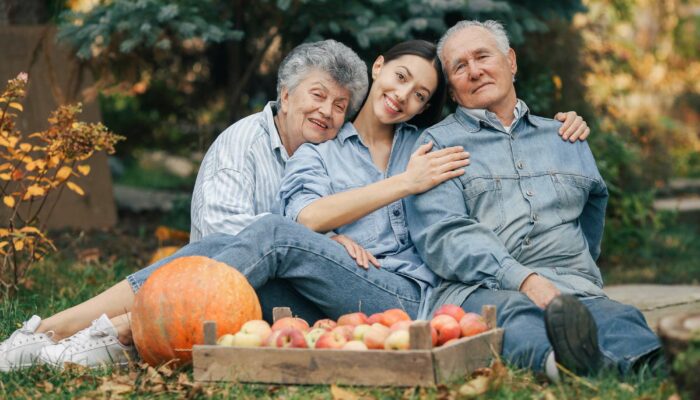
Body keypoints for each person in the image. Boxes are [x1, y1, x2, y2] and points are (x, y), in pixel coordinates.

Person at [0, 38, 589, 370]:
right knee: (221, 250)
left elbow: (501, 131)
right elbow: (306, 220)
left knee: (267, 236)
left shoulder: (429, 145)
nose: (405, 96)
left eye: (421, 95)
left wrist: (560, 124)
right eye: (401, 77)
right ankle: (62, 336)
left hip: (406, 295)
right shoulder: (321, 150)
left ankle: (84, 334)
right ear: (378, 68)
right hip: (325, 289)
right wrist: (398, 188)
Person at [404, 20, 661, 380]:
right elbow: (445, 236)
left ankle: (647, 365)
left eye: (482, 56)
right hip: (483, 289)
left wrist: (574, 271)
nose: (475, 71)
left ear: (511, 61)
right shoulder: (439, 146)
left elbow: (591, 216)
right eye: (460, 67)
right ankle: (568, 367)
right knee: (511, 318)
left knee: (620, 317)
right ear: (452, 90)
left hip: (571, 285)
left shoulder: (564, 136)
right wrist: (524, 279)